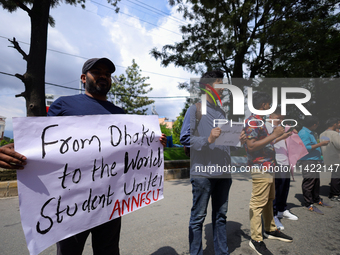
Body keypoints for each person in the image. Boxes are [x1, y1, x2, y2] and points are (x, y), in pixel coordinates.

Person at [0, 57, 167, 255]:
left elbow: (128, 152)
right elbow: (43, 141)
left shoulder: (120, 113)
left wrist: (154, 144)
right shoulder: (64, 104)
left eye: (107, 73)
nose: (103, 76)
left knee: (109, 250)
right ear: (83, 78)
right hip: (72, 202)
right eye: (97, 72)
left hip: (111, 199)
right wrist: (16, 148)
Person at [180, 70, 237, 255]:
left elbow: (225, 142)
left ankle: (222, 252)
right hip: (203, 174)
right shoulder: (195, 109)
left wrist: (237, 139)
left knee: (220, 216)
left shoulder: (222, 111)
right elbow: (185, 138)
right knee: (198, 218)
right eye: (220, 84)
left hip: (223, 173)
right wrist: (208, 139)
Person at [244, 92, 293, 255]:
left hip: (269, 166)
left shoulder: (260, 121)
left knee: (269, 199)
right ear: (264, 105)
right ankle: (256, 239)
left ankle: (270, 229)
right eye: (269, 104)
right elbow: (251, 146)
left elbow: (264, 144)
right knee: (258, 203)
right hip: (261, 167)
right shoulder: (253, 121)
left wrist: (276, 137)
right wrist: (274, 135)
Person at [265, 108, 298, 231]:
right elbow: (267, 143)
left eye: (283, 118)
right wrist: (282, 136)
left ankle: (282, 210)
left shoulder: (282, 126)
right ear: (271, 116)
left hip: (285, 160)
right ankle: (273, 215)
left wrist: (291, 134)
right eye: (279, 118)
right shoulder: (266, 127)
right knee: (275, 189)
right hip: (275, 161)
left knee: (284, 186)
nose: (281, 120)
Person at [297, 116, 330, 215]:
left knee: (315, 181)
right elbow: (304, 147)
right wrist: (321, 144)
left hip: (314, 160)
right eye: (317, 124)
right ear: (314, 124)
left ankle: (316, 199)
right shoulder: (304, 133)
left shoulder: (309, 132)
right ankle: (308, 203)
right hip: (308, 160)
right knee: (309, 182)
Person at [320, 118, 340, 202]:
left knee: (334, 175)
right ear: (334, 124)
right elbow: (339, 145)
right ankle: (335, 194)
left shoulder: (322, 134)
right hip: (336, 157)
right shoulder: (334, 134)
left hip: (327, 157)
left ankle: (333, 193)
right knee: (336, 177)